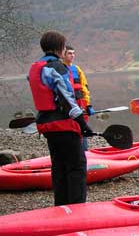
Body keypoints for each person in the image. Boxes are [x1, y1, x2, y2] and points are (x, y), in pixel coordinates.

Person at [28, 30, 94, 206]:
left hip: (47, 126)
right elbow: (66, 98)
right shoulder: (57, 67)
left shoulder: (36, 67)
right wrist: (82, 123)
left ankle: (61, 207)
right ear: (61, 48)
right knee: (77, 167)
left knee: (59, 167)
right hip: (64, 125)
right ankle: (77, 209)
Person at [62, 45, 95, 151]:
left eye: (73, 53)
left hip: (80, 103)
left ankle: (84, 152)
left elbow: (84, 87)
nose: (72, 55)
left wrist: (88, 104)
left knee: (83, 126)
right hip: (67, 105)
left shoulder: (77, 69)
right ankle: (72, 152)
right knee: (70, 128)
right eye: (69, 53)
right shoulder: (59, 68)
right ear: (63, 55)